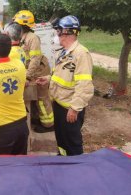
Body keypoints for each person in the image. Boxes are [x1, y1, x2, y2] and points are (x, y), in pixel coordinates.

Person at [36, 15, 94, 156]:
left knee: (72, 142)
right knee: (61, 139)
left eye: (58, 31)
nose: (56, 35)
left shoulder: (81, 54)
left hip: (70, 108)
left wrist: (74, 108)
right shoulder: (64, 52)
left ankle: (75, 167)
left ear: (66, 32)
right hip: (59, 104)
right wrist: (48, 79)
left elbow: (84, 85)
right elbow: (64, 75)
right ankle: (62, 159)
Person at [13, 10, 54, 133]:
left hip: (39, 71)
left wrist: (27, 76)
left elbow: (35, 60)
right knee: (36, 99)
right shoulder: (22, 37)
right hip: (32, 71)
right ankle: (39, 119)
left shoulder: (33, 38)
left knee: (42, 98)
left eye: (17, 24)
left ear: (23, 25)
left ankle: (49, 125)